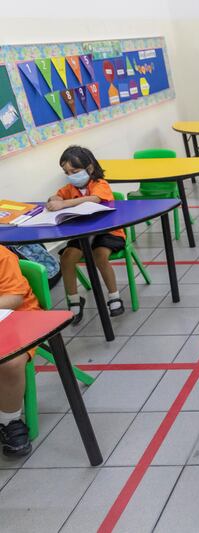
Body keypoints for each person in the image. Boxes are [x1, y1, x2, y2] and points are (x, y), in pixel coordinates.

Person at [47, 146, 124, 324]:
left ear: (89, 168)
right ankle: (74, 301)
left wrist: (65, 203)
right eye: (66, 172)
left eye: (75, 171)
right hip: (83, 234)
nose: (71, 175)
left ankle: (114, 296)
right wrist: (55, 200)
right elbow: (56, 197)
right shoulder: (68, 189)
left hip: (108, 232)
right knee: (66, 258)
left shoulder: (100, 184)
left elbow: (95, 199)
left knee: (99, 256)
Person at [0, 244, 41, 457]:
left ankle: (10, 420)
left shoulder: (3, 256)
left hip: (18, 318)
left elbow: (14, 298)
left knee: (10, 361)